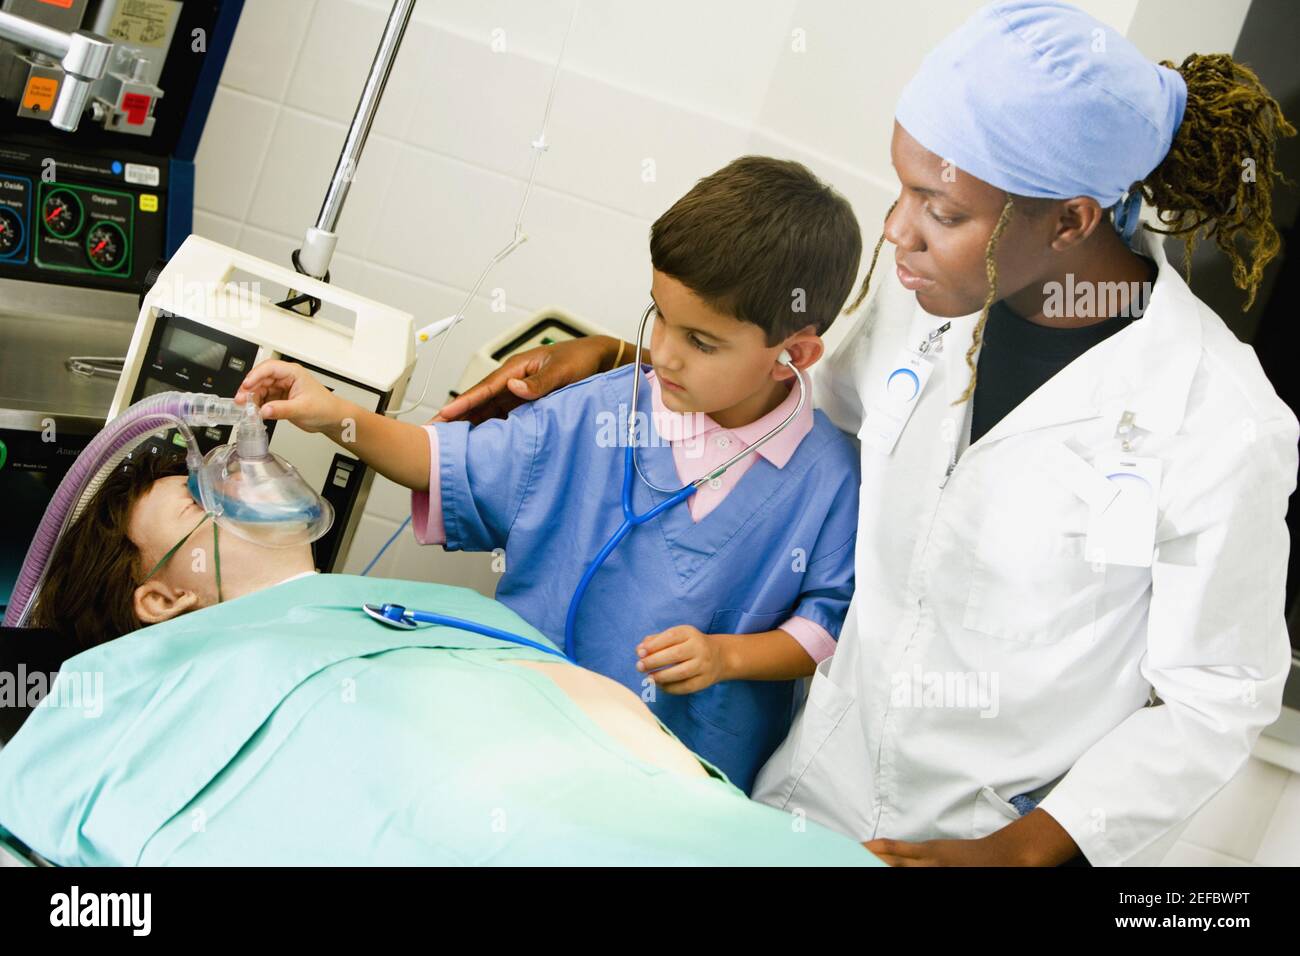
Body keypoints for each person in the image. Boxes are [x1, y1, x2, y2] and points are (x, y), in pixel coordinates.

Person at [431, 1, 1300, 866]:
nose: (894, 231)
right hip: (804, 791)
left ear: (1070, 220)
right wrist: (626, 361)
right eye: (902, 188)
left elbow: (1216, 698)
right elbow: (801, 424)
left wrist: (1024, 852)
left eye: (941, 210)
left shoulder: (1220, 422)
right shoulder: (925, 301)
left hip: (986, 835)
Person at [236, 156, 864, 792]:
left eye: (702, 342)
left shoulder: (829, 479)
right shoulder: (602, 408)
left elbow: (826, 626)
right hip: (515, 742)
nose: (665, 353)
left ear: (794, 355)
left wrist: (728, 656)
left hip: (672, 789)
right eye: (660, 317)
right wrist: (335, 416)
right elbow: (449, 461)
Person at [2, 448, 879, 866]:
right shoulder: (130, 681)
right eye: (198, 496)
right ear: (161, 597)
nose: (232, 481)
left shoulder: (433, 612)